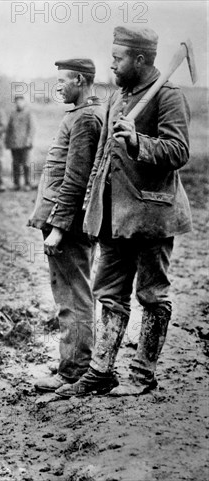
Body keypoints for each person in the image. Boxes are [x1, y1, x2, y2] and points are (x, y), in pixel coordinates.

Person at [57, 26, 192, 397]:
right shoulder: (118, 97)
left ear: (140, 59)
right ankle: (101, 371)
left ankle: (141, 377)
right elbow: (102, 157)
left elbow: (178, 152)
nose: (111, 65)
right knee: (109, 294)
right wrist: (90, 207)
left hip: (152, 216)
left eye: (117, 58)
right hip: (113, 216)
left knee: (152, 295)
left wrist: (138, 141)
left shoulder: (168, 97)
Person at [28, 59, 105, 392]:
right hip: (64, 219)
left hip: (69, 224)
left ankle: (74, 371)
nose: (57, 87)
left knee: (73, 297)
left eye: (62, 81)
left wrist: (58, 226)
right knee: (70, 294)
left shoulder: (86, 118)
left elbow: (76, 179)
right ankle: (72, 366)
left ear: (79, 79)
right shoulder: (80, 114)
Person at [6, 94, 35, 191]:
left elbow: (31, 128)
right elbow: (9, 129)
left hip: (25, 144)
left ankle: (27, 183)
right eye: (17, 102)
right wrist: (7, 142)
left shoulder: (28, 114)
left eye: (21, 101)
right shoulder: (12, 114)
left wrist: (29, 140)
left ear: (24, 102)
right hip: (14, 144)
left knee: (26, 164)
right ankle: (16, 184)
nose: (19, 103)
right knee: (15, 164)